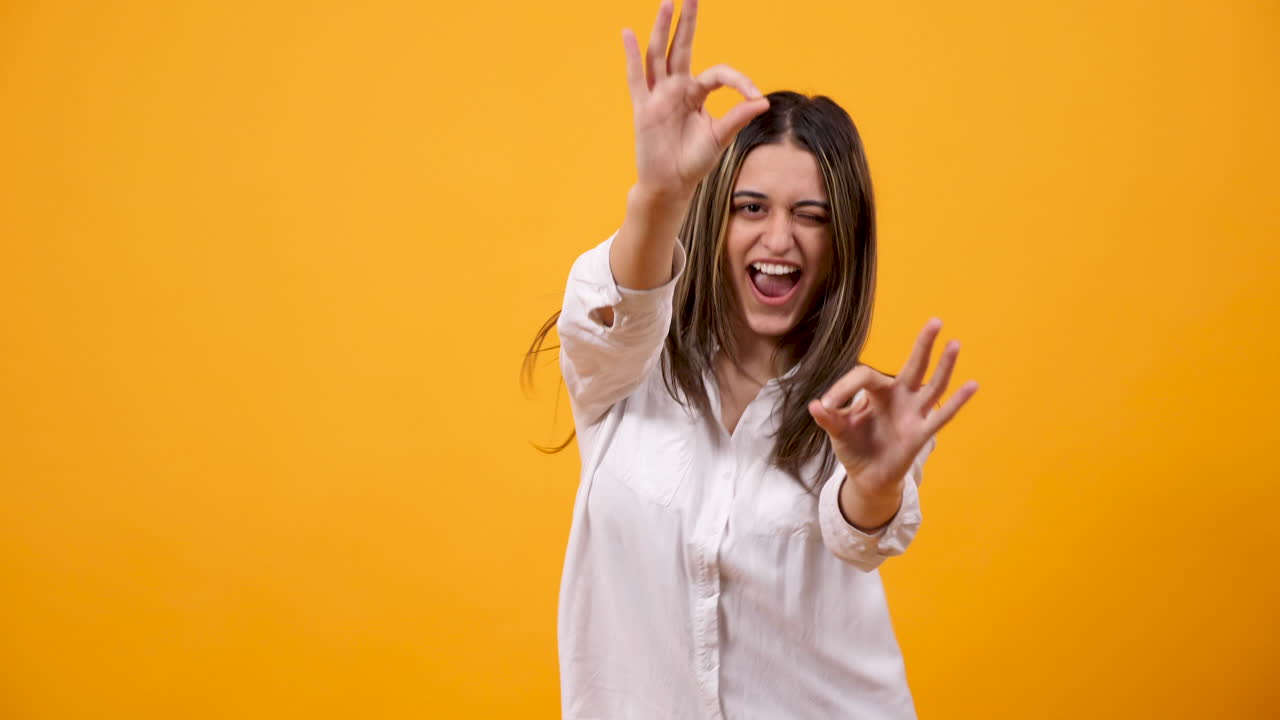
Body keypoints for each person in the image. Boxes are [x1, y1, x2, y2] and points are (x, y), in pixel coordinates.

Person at [524, 1, 978, 717]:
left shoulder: (862, 415)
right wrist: (659, 194)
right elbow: (615, 312)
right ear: (717, 218)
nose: (779, 239)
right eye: (751, 207)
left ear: (842, 244)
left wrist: (877, 482)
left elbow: (859, 534)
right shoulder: (625, 372)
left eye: (812, 215)